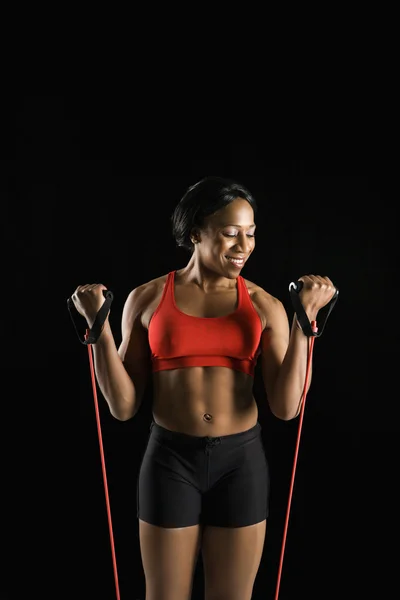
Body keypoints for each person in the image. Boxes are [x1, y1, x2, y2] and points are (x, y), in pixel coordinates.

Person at [71, 176, 336, 600]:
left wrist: (305, 324)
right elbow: (122, 407)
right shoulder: (148, 298)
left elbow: (286, 408)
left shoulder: (264, 305)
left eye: (250, 234)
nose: (243, 246)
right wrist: (97, 326)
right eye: (231, 233)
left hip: (241, 462)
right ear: (195, 232)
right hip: (169, 461)